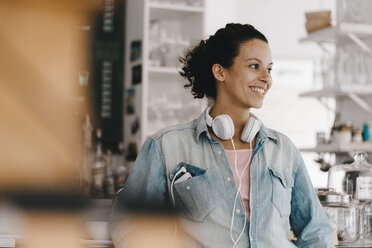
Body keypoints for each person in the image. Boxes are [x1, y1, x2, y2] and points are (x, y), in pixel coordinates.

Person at [112, 23, 334, 248]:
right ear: (220, 72)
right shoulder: (165, 147)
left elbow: (317, 233)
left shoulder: (283, 150)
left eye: (269, 69)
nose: (266, 78)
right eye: (255, 66)